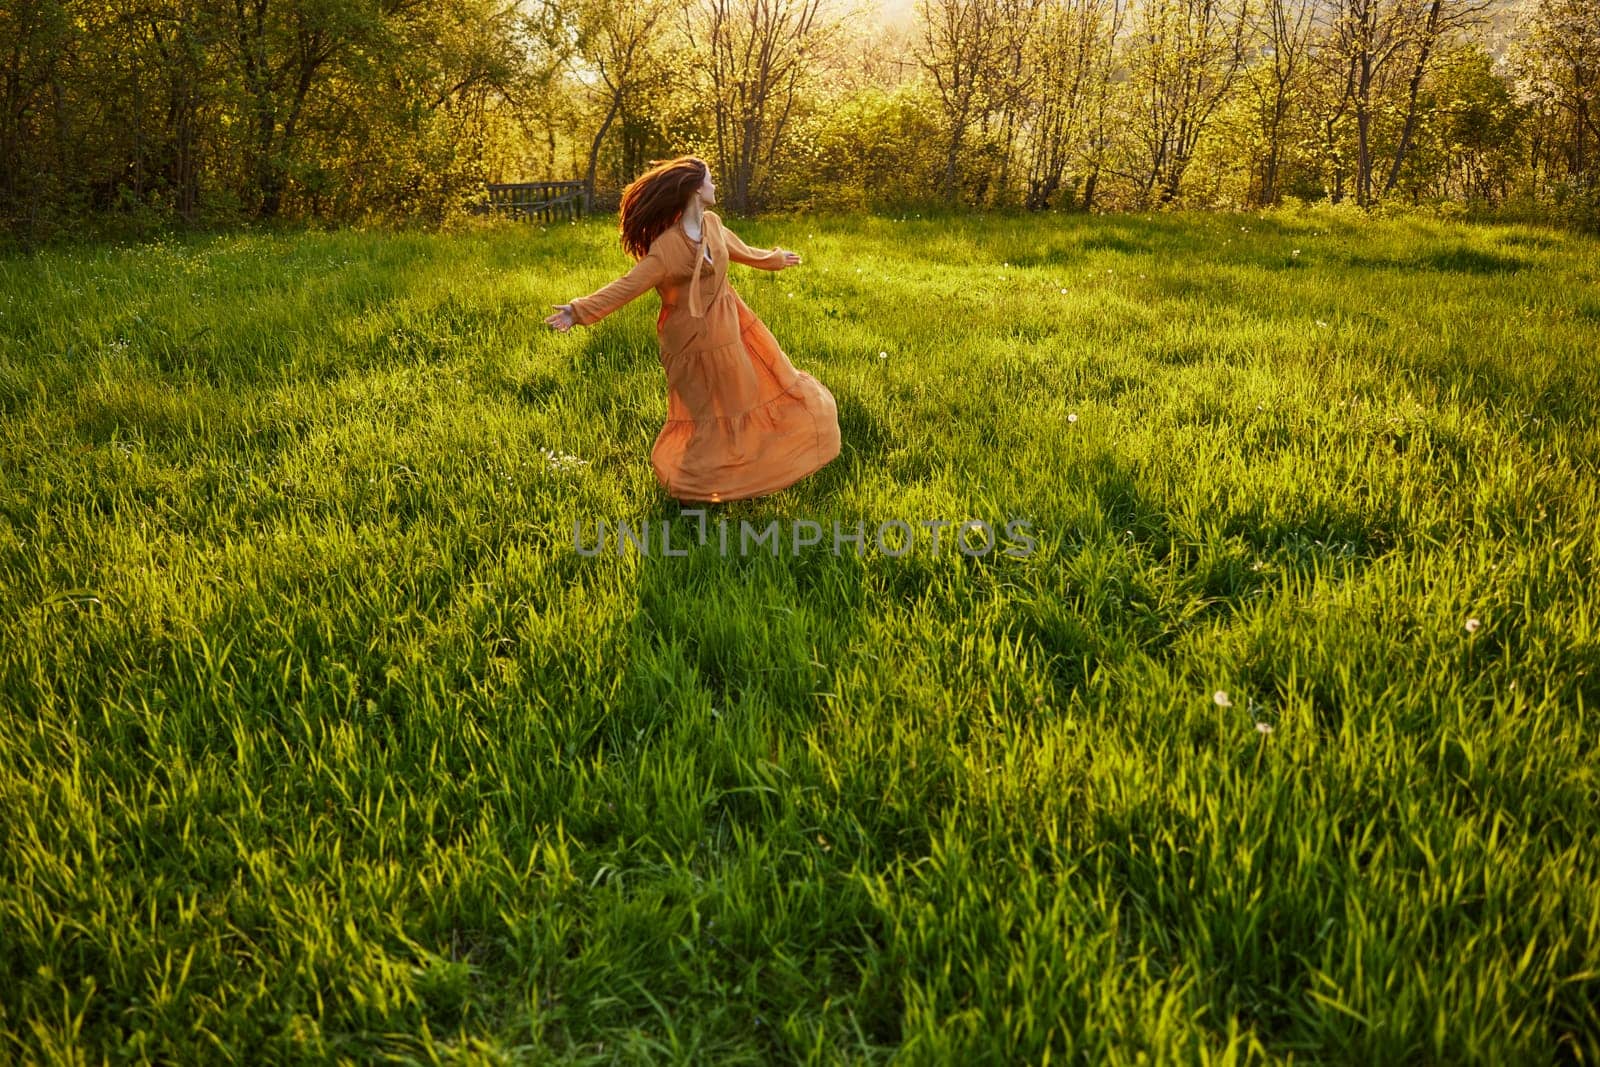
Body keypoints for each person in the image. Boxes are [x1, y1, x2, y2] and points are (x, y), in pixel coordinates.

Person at [545, 156, 841, 505]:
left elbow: (742, 251)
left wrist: (775, 259)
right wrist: (578, 310)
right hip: (688, 343)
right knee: (706, 420)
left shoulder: (713, 224)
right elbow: (628, 285)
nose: (715, 186)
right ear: (695, 190)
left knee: (745, 403)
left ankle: (737, 482)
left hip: (730, 331)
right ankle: (691, 492)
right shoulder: (668, 248)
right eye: (711, 180)